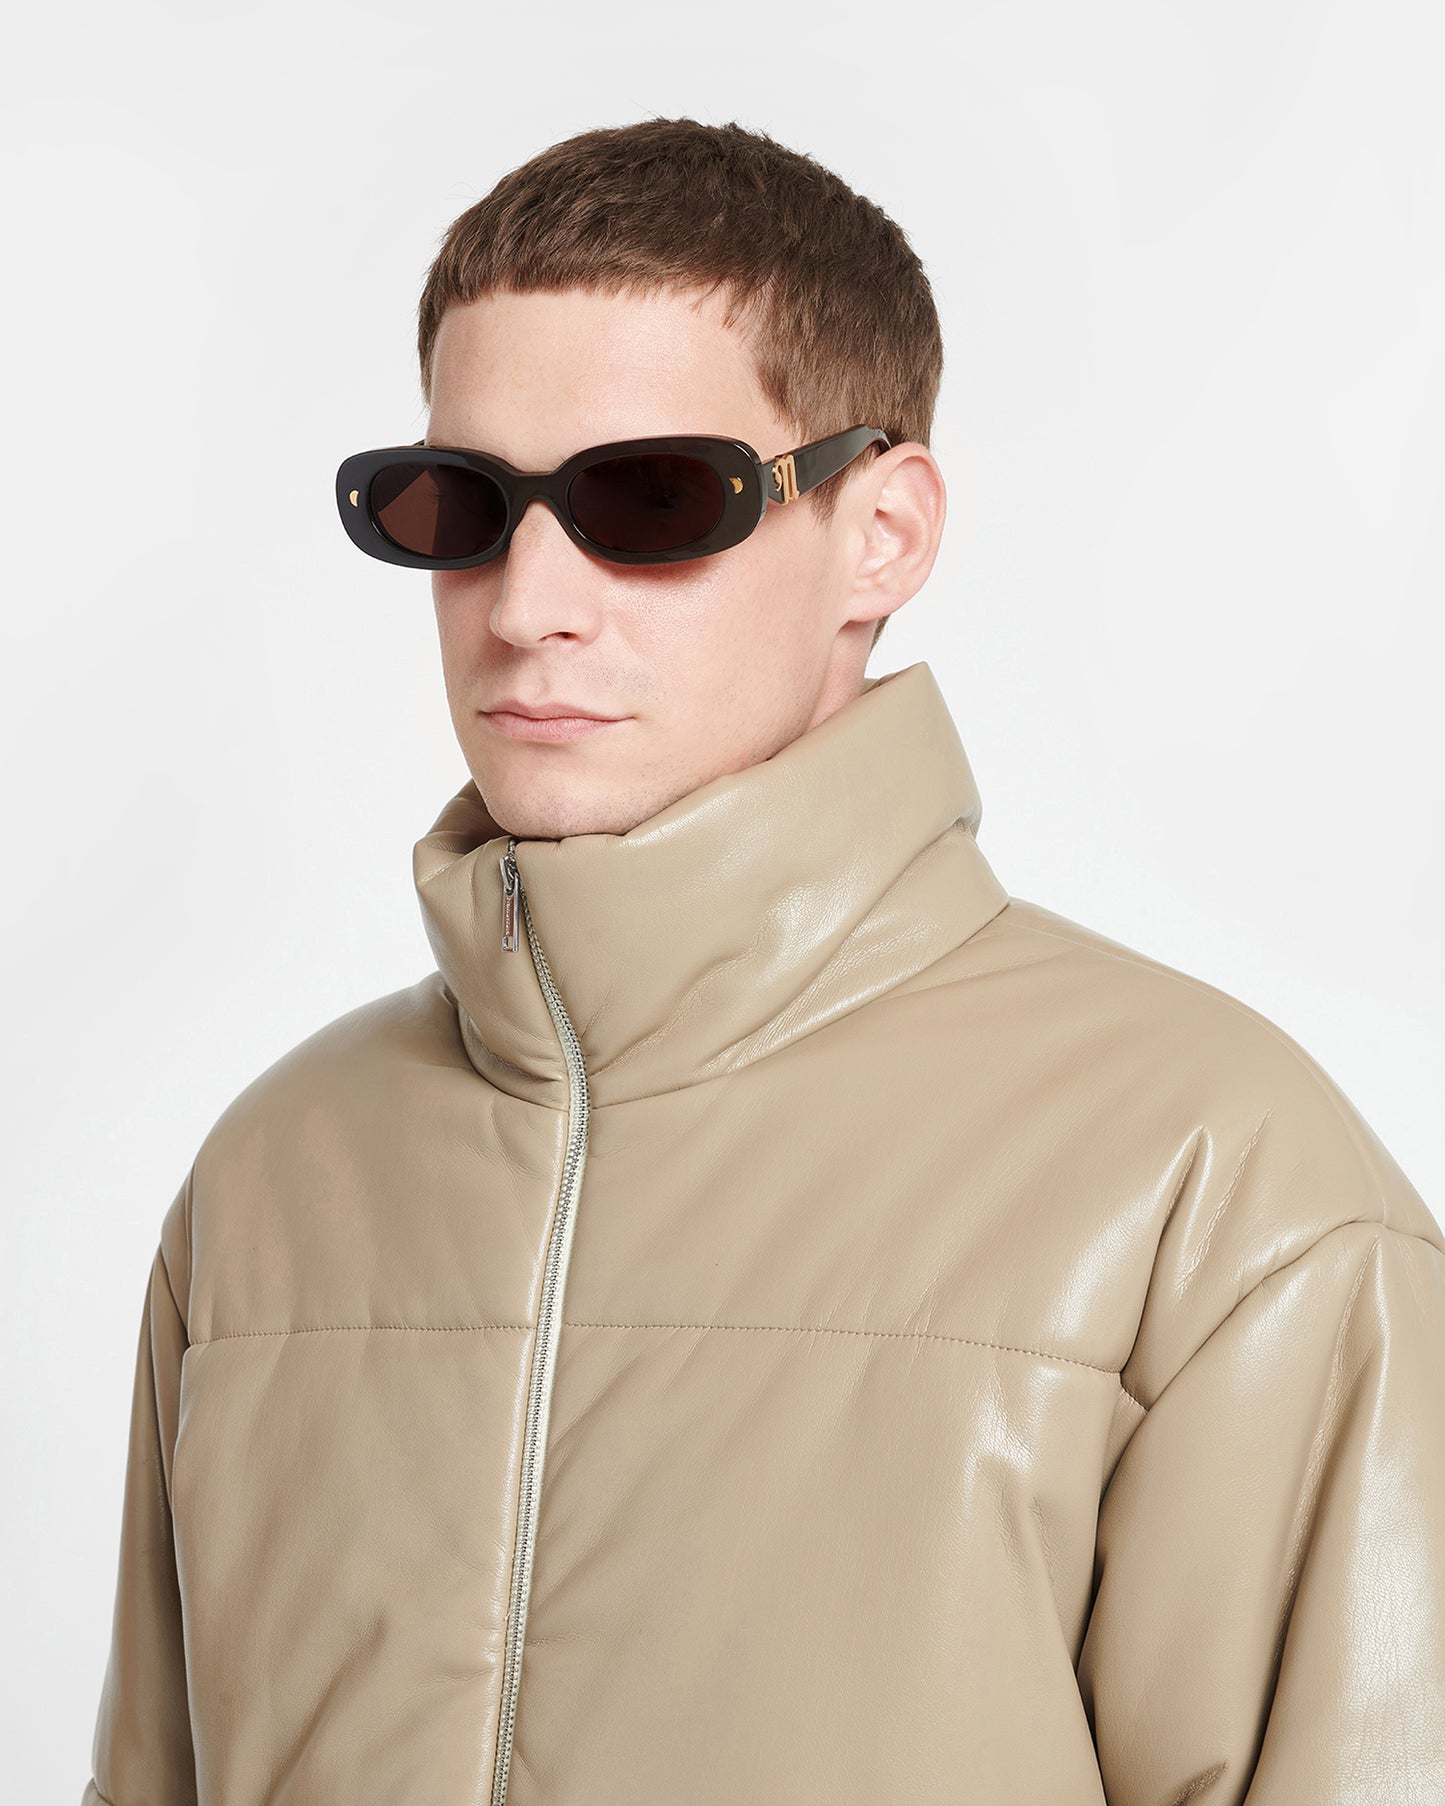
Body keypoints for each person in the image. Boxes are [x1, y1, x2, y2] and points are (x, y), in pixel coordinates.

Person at [82, 116, 1445, 1806]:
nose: (526, 601)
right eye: (460, 507)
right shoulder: (273, 1182)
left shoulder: (1218, 1188)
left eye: (648, 500)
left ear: (884, 531)